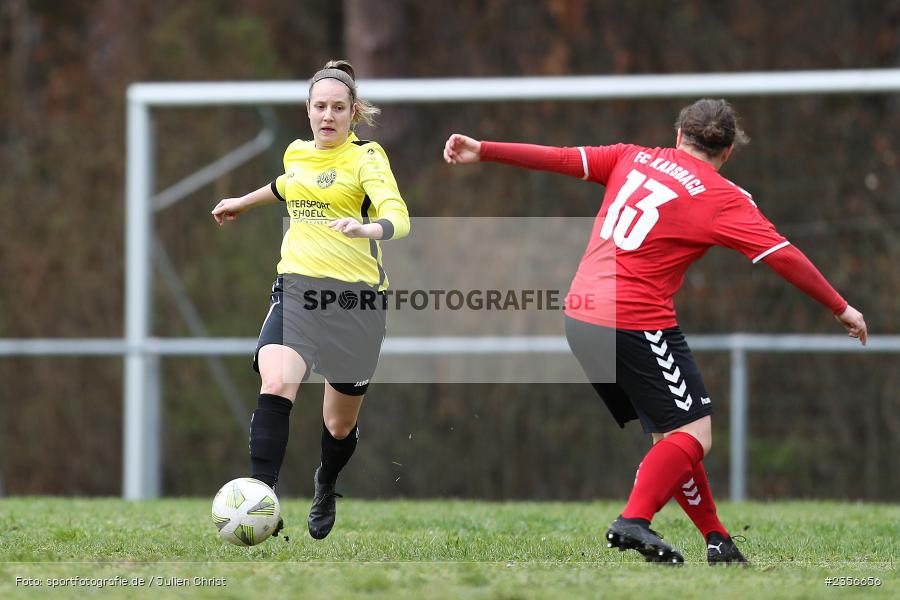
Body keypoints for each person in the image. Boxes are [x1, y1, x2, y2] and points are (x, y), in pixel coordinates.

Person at [443, 98, 867, 565]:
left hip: (581, 315)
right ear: (727, 152)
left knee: (672, 438)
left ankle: (718, 540)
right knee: (695, 435)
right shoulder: (723, 196)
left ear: (679, 136)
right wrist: (839, 306)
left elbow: (561, 157)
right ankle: (633, 520)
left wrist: (484, 149)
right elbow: (781, 255)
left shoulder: (633, 156)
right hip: (634, 319)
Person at [212, 59, 410, 540]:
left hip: (357, 303)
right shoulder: (296, 152)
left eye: (338, 108)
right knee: (277, 380)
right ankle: (262, 497)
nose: (328, 116)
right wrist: (241, 201)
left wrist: (367, 227)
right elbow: (287, 187)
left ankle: (326, 482)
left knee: (338, 425)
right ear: (307, 109)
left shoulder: (368, 159)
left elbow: (398, 216)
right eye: (320, 106)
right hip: (297, 289)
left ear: (353, 112)